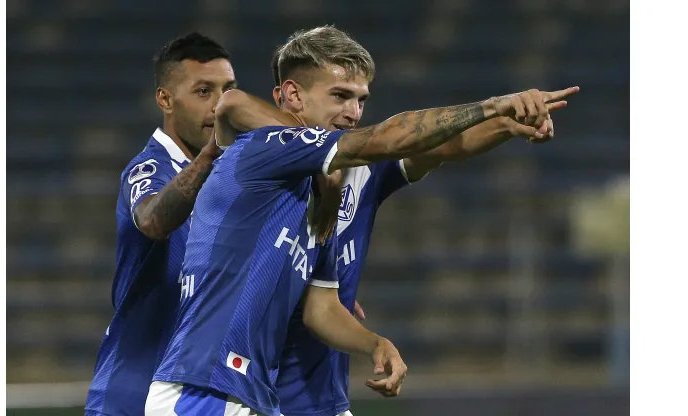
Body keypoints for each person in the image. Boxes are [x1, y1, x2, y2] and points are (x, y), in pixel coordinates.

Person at [145, 25, 576, 416]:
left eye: (361, 99)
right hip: (207, 385)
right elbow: (237, 104)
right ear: (293, 96)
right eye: (340, 96)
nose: (354, 111)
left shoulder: (335, 189)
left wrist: (508, 123)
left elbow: (321, 304)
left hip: (263, 394)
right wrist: (491, 106)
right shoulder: (267, 148)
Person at [85, 31, 237, 416]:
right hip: (132, 392)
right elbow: (153, 219)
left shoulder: (229, 177)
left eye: (229, 91)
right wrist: (209, 155)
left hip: (198, 395)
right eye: (204, 91)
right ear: (165, 100)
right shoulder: (150, 167)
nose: (221, 106)